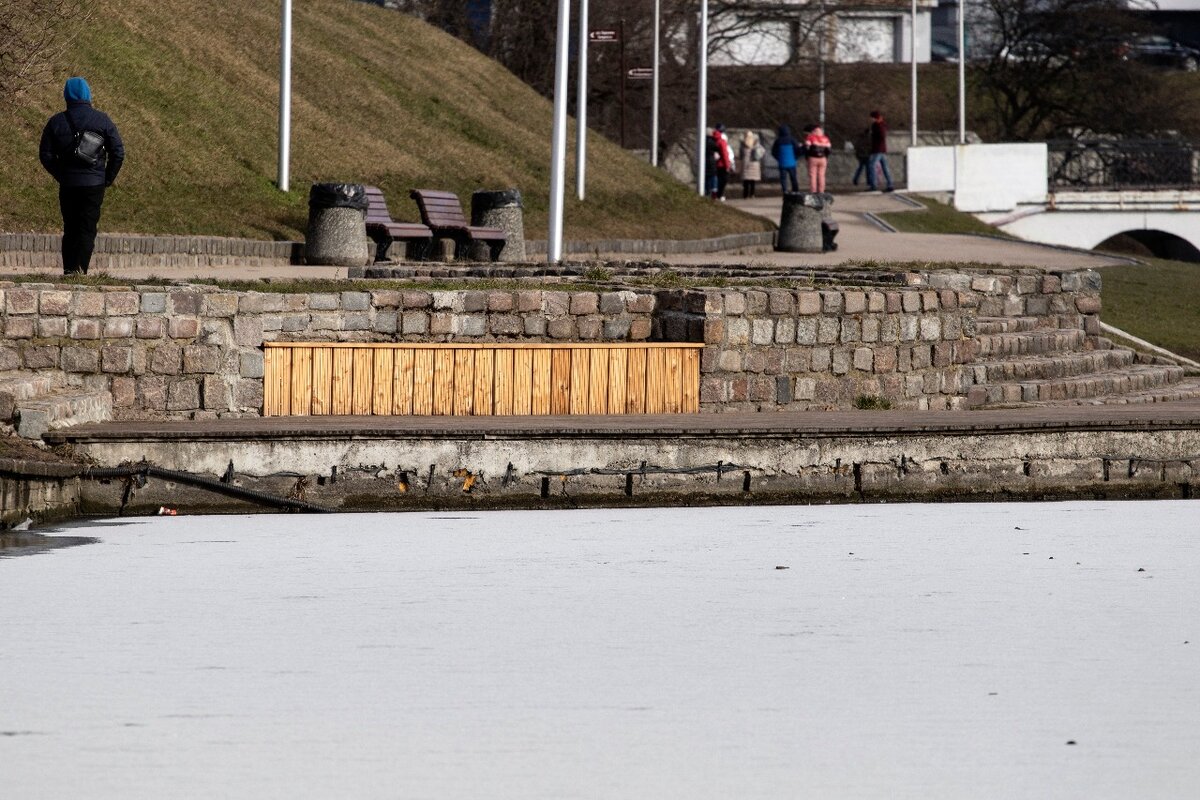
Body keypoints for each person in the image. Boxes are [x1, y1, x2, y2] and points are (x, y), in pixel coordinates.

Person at [39, 77, 125, 275]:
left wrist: (60, 174)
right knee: (87, 227)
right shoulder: (102, 120)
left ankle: (69, 270)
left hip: (68, 183)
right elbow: (118, 152)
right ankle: (81, 270)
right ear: (88, 94)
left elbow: (46, 155)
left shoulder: (56, 122)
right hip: (94, 184)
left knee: (70, 227)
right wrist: (107, 178)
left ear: (66, 95)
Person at [867, 110, 894, 193]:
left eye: (871, 118)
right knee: (885, 167)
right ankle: (890, 184)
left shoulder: (877, 125)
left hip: (877, 149)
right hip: (882, 149)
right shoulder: (882, 124)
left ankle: (873, 185)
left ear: (874, 118)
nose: (871, 119)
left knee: (872, 166)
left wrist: (873, 135)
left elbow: (881, 135)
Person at [803, 124, 832, 194]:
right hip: (823, 158)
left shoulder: (810, 137)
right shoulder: (825, 138)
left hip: (813, 158)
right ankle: (821, 191)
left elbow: (806, 148)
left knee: (813, 175)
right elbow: (829, 150)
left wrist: (807, 156)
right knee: (822, 175)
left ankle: (813, 191)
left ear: (813, 131)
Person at [771, 125, 799, 193]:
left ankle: (785, 191)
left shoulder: (778, 141)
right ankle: (795, 191)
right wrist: (795, 158)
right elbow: (798, 150)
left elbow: (773, 152)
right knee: (793, 178)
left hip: (782, 163)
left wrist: (778, 158)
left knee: (783, 179)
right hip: (792, 163)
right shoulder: (792, 140)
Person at [711, 123, 735, 201]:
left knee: (714, 179)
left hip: (713, 164)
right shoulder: (722, 141)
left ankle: (714, 194)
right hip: (722, 164)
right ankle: (719, 195)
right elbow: (725, 154)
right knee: (723, 180)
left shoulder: (712, 139)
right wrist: (727, 166)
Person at [738, 130, 764, 198]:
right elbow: (762, 151)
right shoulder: (756, 143)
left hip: (745, 163)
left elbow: (740, 155)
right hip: (754, 163)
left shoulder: (743, 144)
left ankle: (745, 194)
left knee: (746, 181)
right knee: (753, 181)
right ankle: (752, 194)